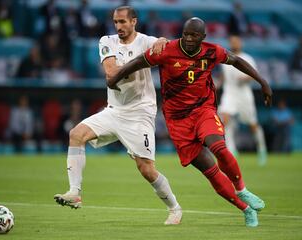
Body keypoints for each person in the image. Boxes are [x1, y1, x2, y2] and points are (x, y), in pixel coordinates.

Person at [108, 17, 273, 227]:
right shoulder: (166, 50)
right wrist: (114, 78)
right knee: (210, 172)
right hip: (178, 121)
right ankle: (246, 210)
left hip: (203, 110)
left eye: (194, 35)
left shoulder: (212, 51)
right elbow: (138, 62)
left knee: (219, 147)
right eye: (185, 33)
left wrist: (263, 82)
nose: (188, 38)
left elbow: (237, 60)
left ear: (202, 37)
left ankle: (242, 189)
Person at [54, 6, 182, 225]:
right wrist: (140, 62)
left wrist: (162, 40)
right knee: (76, 134)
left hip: (140, 113)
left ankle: (174, 208)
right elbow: (110, 73)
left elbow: (166, 46)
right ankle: (75, 192)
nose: (119, 26)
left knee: (147, 170)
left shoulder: (145, 41)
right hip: (114, 111)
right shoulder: (107, 41)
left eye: (123, 22)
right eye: (116, 22)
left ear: (134, 21)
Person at [218, 35, 267, 165]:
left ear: (240, 43)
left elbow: (254, 75)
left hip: (244, 94)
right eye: (232, 41)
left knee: (252, 124)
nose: (234, 43)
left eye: (236, 41)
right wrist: (216, 84)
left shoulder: (247, 58)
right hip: (230, 93)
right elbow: (223, 76)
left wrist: (245, 78)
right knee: (225, 119)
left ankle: (261, 149)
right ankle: (231, 151)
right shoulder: (225, 57)